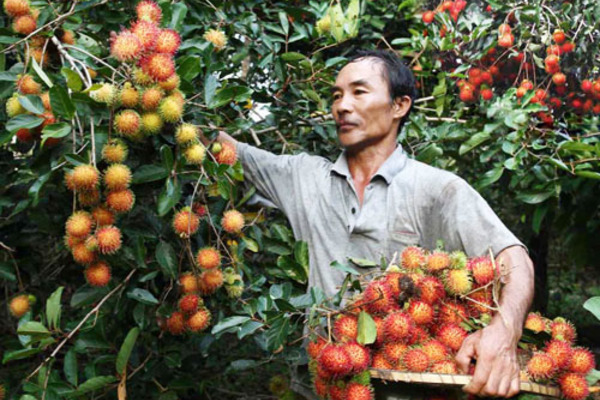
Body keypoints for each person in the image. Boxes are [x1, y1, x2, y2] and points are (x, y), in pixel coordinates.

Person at [217, 49, 534, 399]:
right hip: (321, 387)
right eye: (336, 95)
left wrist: (504, 333)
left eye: (358, 91)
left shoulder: (437, 189)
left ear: (399, 106)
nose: (341, 105)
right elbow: (227, 151)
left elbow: (515, 260)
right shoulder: (303, 178)